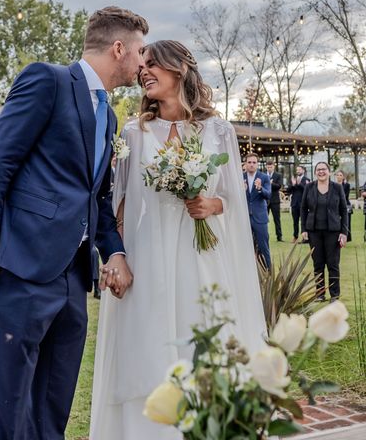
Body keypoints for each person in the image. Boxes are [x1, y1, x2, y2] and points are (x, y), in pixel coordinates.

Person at [0, 6, 146, 439]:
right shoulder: (47, 80)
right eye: (140, 52)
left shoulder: (111, 116)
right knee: (7, 407)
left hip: (73, 278)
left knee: (53, 406)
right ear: (118, 48)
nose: (143, 62)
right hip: (22, 267)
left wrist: (115, 251)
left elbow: (96, 195)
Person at [90, 40, 266, 440]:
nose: (143, 71)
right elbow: (118, 204)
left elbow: (236, 203)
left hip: (202, 256)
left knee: (203, 339)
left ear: (179, 69)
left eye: (153, 64)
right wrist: (115, 257)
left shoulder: (218, 130)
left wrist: (212, 205)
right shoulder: (134, 133)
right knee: (148, 344)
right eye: (142, 65)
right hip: (148, 253)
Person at [301, 162, 348, 303]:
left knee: (333, 264)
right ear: (315, 172)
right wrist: (303, 229)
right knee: (318, 263)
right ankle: (320, 294)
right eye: (318, 169)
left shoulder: (337, 187)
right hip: (314, 231)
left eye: (324, 169)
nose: (321, 172)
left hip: (333, 232)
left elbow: (344, 211)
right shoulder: (309, 187)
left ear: (329, 172)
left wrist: (344, 232)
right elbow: (303, 209)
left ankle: (334, 295)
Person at [244, 153, 272, 268]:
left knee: (263, 246)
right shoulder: (240, 177)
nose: (251, 165)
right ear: (245, 164)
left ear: (257, 164)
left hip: (259, 217)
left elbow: (268, 194)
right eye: (249, 162)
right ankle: (246, 272)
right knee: (244, 246)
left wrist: (260, 188)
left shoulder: (264, 177)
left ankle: (268, 272)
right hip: (244, 217)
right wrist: (241, 190)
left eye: (254, 162)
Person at [287, 165, 310, 242]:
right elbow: (288, 190)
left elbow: (306, 190)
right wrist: (293, 184)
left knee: (304, 221)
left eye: (299, 170)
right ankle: (295, 236)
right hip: (294, 203)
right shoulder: (294, 179)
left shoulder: (307, 180)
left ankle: (305, 237)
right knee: (295, 222)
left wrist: (298, 184)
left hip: (303, 204)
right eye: (297, 170)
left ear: (303, 170)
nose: (298, 171)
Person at [266, 160, 283, 241]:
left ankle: (279, 237)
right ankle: (264, 236)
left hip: (275, 200)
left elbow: (279, 186)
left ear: (274, 166)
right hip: (265, 200)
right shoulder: (263, 175)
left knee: (277, 219)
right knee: (264, 219)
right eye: (268, 167)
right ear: (266, 167)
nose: (269, 168)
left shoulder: (278, 175)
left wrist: (271, 183)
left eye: (271, 167)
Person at [335, 170, 353, 242]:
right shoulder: (333, 185)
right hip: (336, 205)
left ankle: (347, 237)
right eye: (338, 175)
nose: (339, 176)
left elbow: (345, 195)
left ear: (343, 177)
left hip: (346, 205)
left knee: (347, 221)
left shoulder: (346, 185)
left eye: (340, 175)